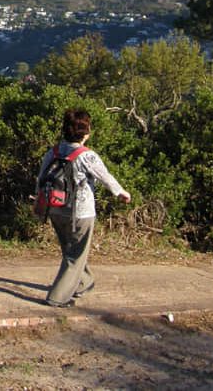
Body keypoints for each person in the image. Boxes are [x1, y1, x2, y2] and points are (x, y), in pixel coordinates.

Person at [38, 108, 131, 308]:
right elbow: (105, 177)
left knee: (71, 252)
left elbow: (40, 178)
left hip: (55, 209)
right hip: (80, 212)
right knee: (75, 255)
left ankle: (84, 283)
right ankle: (58, 297)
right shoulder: (86, 155)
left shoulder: (53, 152)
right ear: (85, 131)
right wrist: (121, 192)